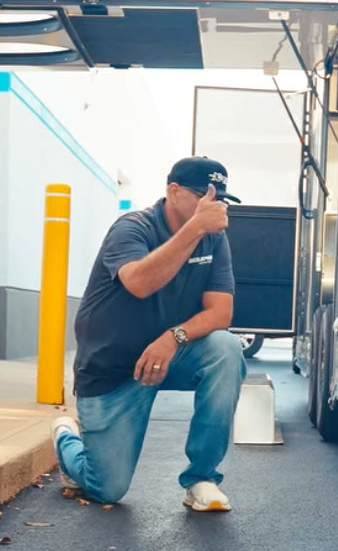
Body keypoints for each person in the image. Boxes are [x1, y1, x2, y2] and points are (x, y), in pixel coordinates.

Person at [52, 157, 247, 511]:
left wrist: (174, 337)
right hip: (114, 369)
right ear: (173, 191)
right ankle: (67, 439)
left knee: (226, 349)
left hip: (170, 356)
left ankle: (202, 478)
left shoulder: (214, 241)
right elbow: (139, 283)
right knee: (106, 488)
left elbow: (221, 312)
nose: (212, 205)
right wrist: (194, 229)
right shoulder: (132, 227)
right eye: (203, 195)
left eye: (219, 199)